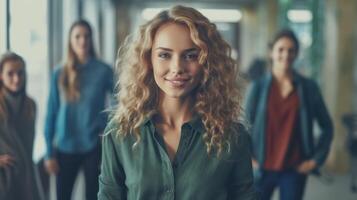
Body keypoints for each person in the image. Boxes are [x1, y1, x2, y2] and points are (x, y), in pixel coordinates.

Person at [98, 5, 257, 200]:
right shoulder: (120, 132)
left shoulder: (232, 136)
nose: (177, 68)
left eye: (191, 56)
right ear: (149, 60)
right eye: (164, 55)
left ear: (207, 62)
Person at [244, 29, 333, 200]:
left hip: (294, 169)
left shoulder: (308, 88)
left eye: (291, 50)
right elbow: (243, 126)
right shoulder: (258, 87)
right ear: (272, 52)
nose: (286, 55)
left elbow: (327, 126)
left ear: (297, 53)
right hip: (261, 168)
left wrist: (316, 160)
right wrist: (248, 157)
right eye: (281, 50)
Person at [44, 19, 114, 200]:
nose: (82, 41)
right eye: (78, 36)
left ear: (92, 39)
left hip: (93, 146)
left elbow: (119, 103)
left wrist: (105, 125)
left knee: (93, 196)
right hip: (64, 147)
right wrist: (49, 153)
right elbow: (51, 113)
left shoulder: (104, 70)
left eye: (86, 36)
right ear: (71, 40)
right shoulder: (59, 73)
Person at [0, 52, 41, 200]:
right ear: (1, 75)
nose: (16, 79)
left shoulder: (30, 105)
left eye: (20, 73)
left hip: (27, 177)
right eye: (10, 74)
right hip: (4, 179)